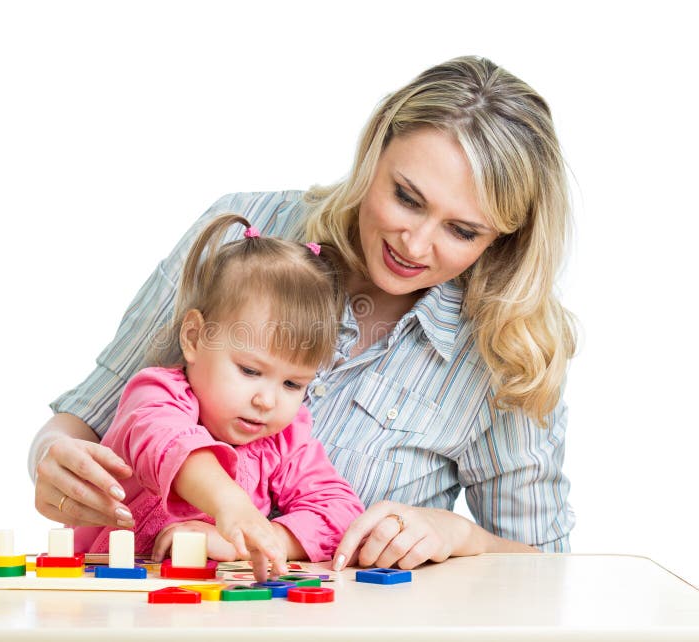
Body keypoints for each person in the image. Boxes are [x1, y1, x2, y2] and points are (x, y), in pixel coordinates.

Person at [30, 55, 577, 572]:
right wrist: (50, 456)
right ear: (374, 152)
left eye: (462, 231)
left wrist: (460, 536)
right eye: (407, 197)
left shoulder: (508, 352)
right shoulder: (247, 228)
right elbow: (102, 418)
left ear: (503, 237)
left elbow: (550, 573)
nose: (416, 243)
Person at [71, 214, 364, 581]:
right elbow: (171, 446)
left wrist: (259, 538)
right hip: (101, 596)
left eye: (292, 384)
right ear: (194, 337)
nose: (267, 401)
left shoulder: (284, 439)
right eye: (250, 371)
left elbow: (339, 510)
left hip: (210, 609)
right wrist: (232, 506)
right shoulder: (156, 395)